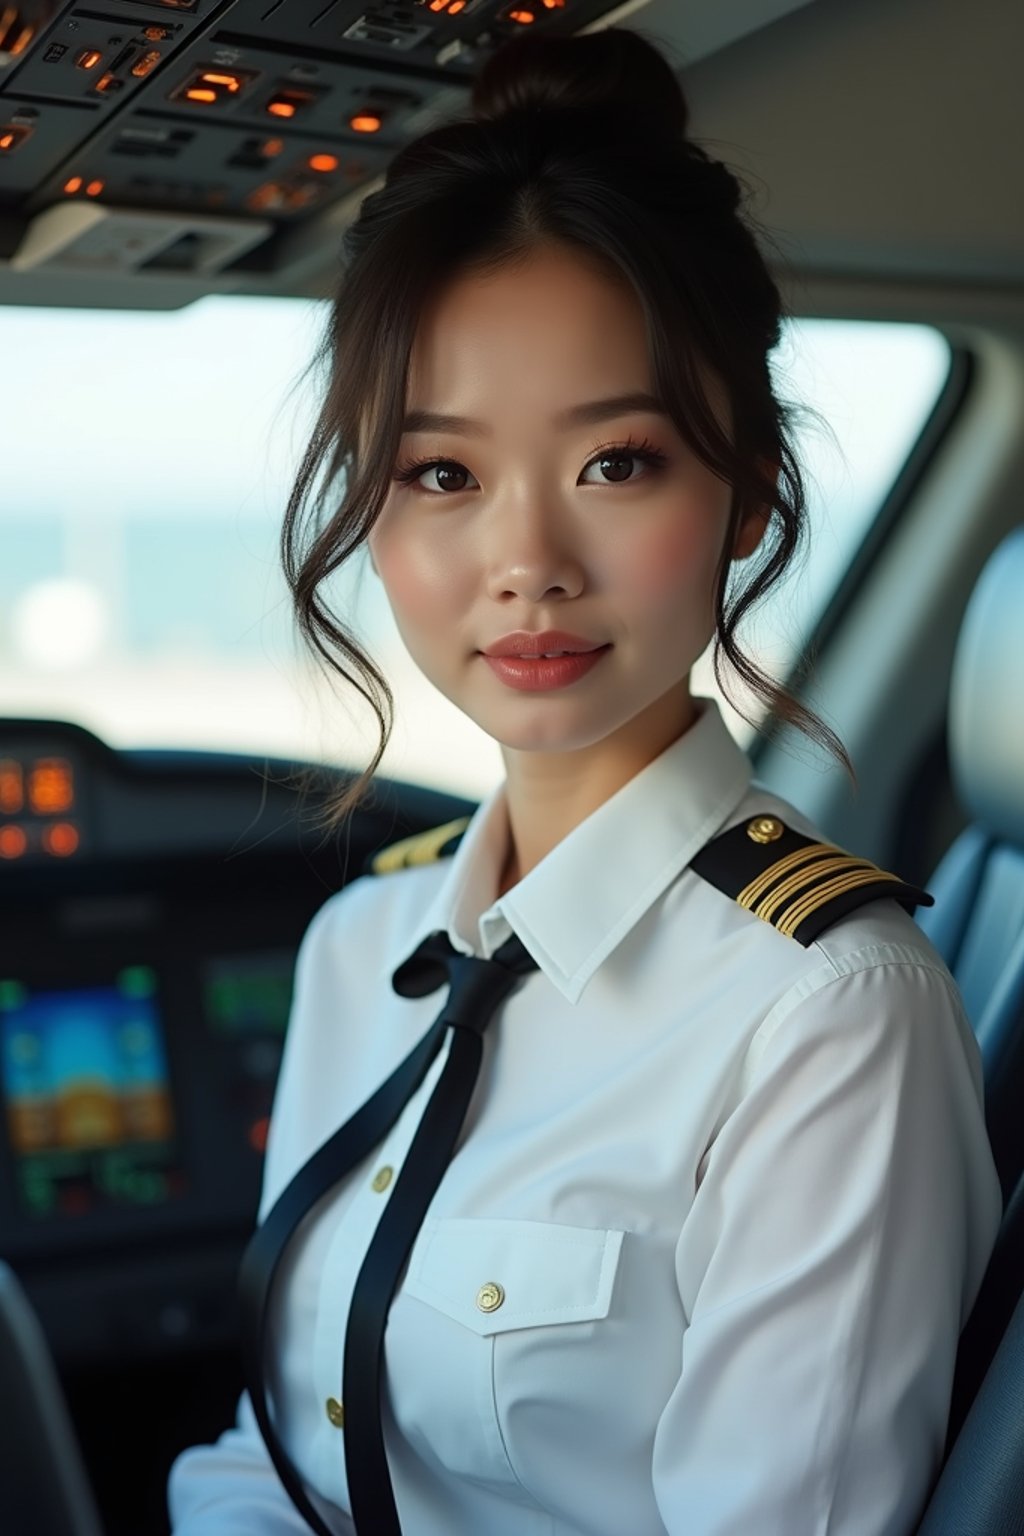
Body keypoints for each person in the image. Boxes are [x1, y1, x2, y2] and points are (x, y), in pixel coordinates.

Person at [166, 25, 1001, 1536]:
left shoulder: (828, 1009)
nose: (527, 565)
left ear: (746, 487)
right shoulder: (366, 946)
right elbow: (273, 1461)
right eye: (442, 474)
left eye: (616, 462)